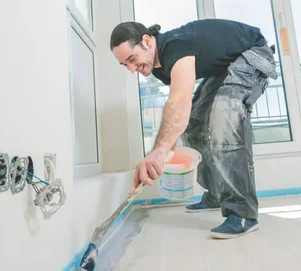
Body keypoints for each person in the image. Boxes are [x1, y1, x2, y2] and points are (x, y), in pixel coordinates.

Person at [110, 19, 277, 239]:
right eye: (125, 65)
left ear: (147, 42)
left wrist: (159, 151)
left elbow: (179, 100)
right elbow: (181, 112)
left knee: (225, 113)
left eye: (132, 59)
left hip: (253, 53)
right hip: (224, 68)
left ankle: (242, 211)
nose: (132, 69)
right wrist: (165, 149)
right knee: (194, 122)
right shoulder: (158, 67)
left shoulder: (175, 47)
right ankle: (216, 194)